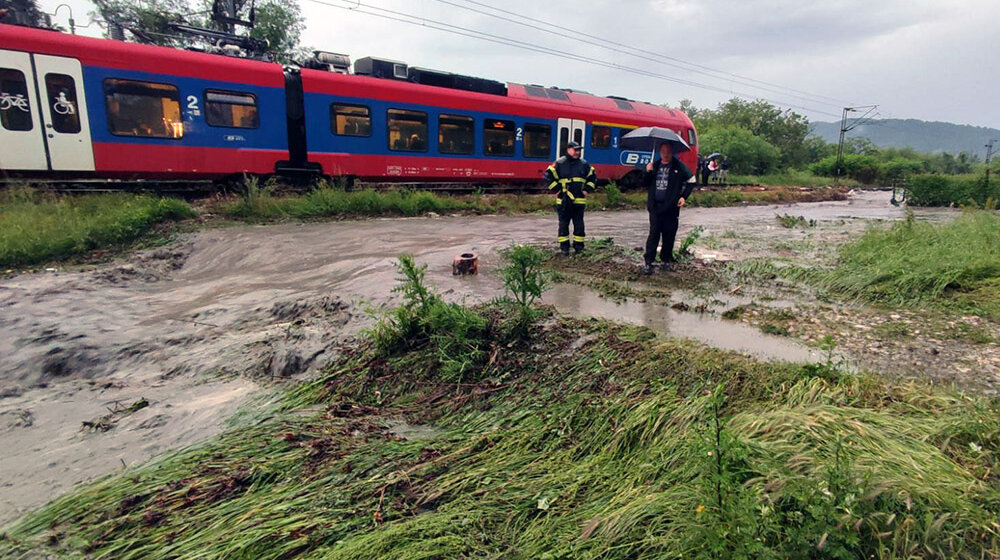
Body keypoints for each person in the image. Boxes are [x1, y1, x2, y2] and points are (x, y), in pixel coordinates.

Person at [642, 141, 695, 274]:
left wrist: (684, 197)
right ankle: (649, 262)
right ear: (660, 152)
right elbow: (644, 183)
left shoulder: (679, 166)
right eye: (663, 151)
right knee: (654, 233)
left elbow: (692, 181)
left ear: (672, 152)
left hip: (671, 207)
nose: (665, 154)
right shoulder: (654, 165)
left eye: (668, 151)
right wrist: (648, 172)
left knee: (669, 234)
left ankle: (666, 259)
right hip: (655, 206)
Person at [543, 141, 596, 255]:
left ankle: (579, 248)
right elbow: (548, 176)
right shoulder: (559, 163)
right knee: (563, 224)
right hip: (563, 200)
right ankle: (564, 248)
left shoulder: (584, 164)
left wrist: (587, 189)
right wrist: (557, 189)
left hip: (579, 200)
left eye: (578, 150)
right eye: (575, 150)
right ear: (568, 150)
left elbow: (592, 178)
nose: (577, 152)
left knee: (579, 225)